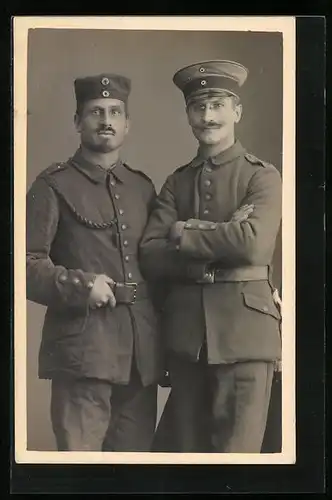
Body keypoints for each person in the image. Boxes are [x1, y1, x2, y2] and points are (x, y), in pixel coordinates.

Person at [140, 60, 282, 453]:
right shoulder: (176, 181)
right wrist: (221, 240)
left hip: (245, 334)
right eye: (198, 107)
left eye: (218, 104)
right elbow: (151, 255)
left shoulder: (262, 176)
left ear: (236, 111)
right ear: (188, 115)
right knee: (186, 460)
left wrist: (186, 231)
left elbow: (254, 243)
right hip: (188, 338)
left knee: (237, 463)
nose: (208, 116)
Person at [26, 73, 163, 452]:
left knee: (133, 479)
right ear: (77, 122)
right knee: (80, 475)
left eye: (116, 112)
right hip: (82, 353)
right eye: (96, 112)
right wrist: (82, 286)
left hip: (140, 358)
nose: (107, 120)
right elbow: (22, 263)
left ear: (127, 124)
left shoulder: (142, 187)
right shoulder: (52, 185)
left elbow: (158, 264)